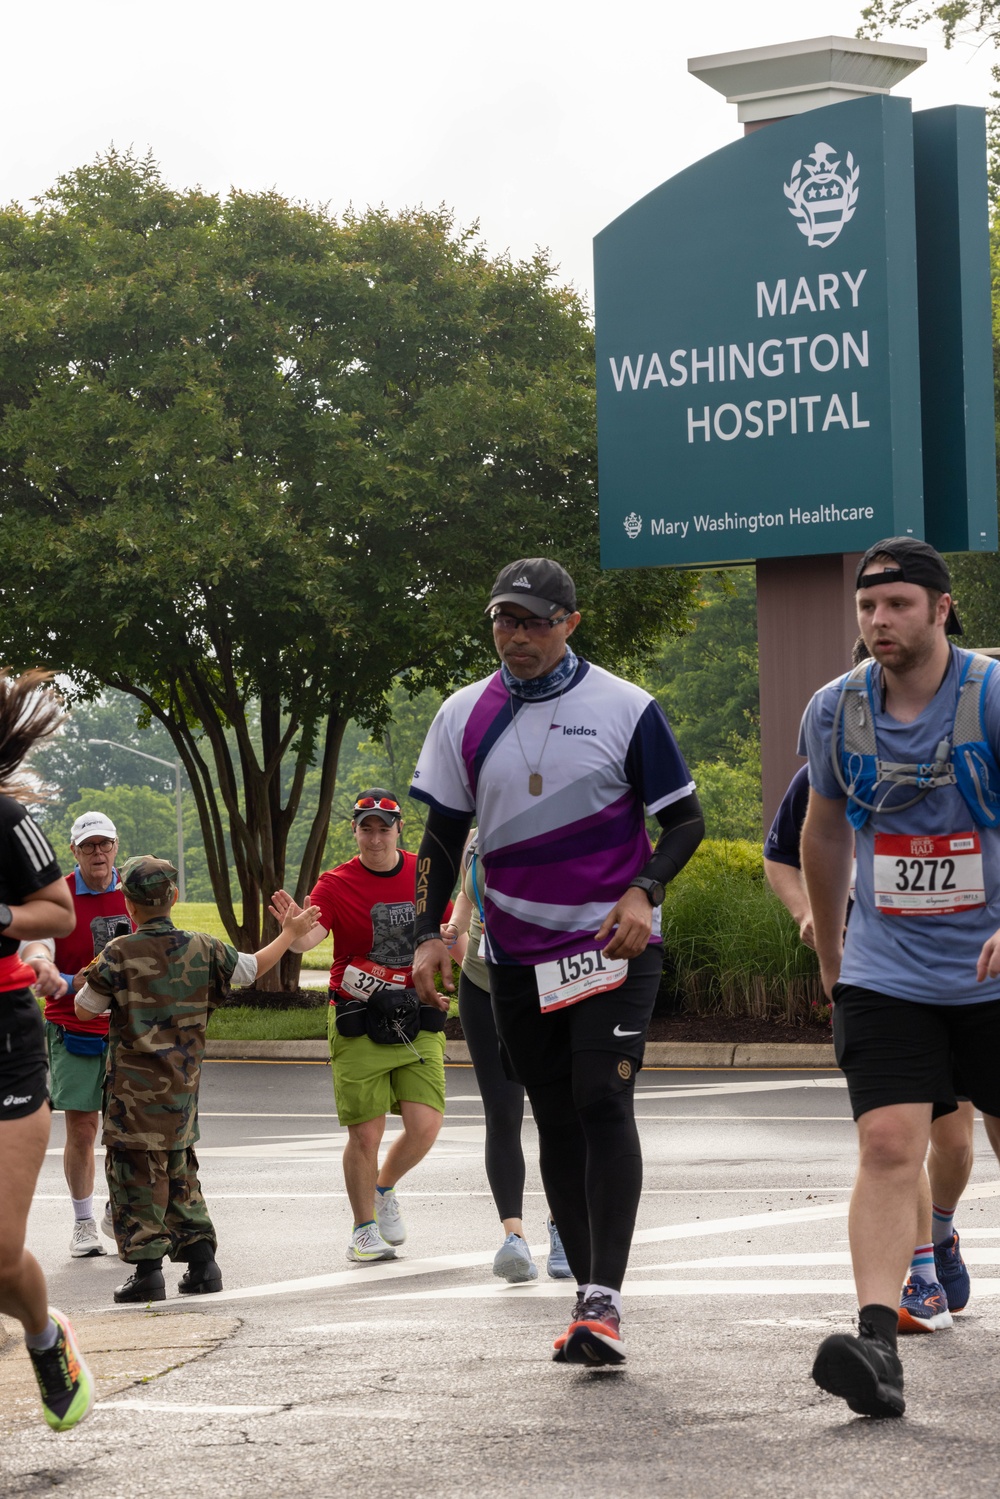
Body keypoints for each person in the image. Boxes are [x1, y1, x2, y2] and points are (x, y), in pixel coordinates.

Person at [410, 558, 704, 1365]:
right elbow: (440, 837)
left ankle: (604, 1296)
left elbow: (684, 822)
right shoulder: (463, 713)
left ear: (570, 622)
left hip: (613, 943)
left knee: (601, 1099)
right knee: (555, 1114)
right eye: (504, 620)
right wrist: (431, 934)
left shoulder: (625, 707)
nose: (517, 635)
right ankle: (585, 1298)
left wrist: (645, 890)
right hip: (515, 953)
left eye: (535, 620)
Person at [800, 537, 1000, 1418]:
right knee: (888, 1146)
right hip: (888, 971)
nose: (879, 622)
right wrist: (836, 959)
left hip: (992, 967)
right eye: (867, 608)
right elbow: (824, 831)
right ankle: (877, 1345)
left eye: (899, 606)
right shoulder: (834, 710)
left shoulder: (991, 695)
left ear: (942, 607)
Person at [764, 763, 975, 1335]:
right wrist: (808, 914)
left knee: (953, 1143)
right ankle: (922, 1280)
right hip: (877, 978)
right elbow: (781, 854)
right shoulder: (828, 762)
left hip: (967, 973)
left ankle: (941, 1230)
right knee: (894, 1136)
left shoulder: (975, 744)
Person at [74, 855, 320, 1303]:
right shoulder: (204, 947)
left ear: (128, 902)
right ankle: (203, 1264)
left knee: (134, 1179)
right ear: (175, 897)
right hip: (183, 1093)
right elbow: (250, 968)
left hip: (132, 1099)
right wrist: (288, 933)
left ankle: (147, 1271)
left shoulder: (119, 952)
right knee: (181, 1171)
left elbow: (85, 1007)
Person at [272, 790, 455, 1265]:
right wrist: (293, 934)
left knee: (425, 1124)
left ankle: (384, 1187)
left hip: (417, 1012)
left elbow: (449, 934)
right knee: (365, 1135)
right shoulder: (335, 883)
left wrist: (454, 942)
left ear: (399, 830)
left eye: (384, 827)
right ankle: (364, 1229)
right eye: (366, 827)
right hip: (358, 1011)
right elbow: (310, 936)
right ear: (354, 830)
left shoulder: (424, 873)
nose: (375, 836)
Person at [0, 668, 93, 1431]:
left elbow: (58, 912)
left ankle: (43, 1335)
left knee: (0, 1254)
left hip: (4, 1039)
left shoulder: (4, 819)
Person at [442, 832, 572, 1283]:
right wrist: (454, 929)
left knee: (556, 1112)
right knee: (502, 1112)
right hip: (482, 986)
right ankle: (513, 1239)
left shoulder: (550, 833)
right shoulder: (475, 841)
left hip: (544, 988)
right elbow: (465, 895)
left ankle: (563, 1229)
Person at [19, 810, 131, 1259]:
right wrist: (52, 969)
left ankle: (117, 1207)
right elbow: (39, 943)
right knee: (83, 1127)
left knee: (127, 1131)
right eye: (89, 846)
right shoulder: (61, 895)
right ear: (74, 851)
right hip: (74, 1025)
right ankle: (84, 1223)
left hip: (130, 1028)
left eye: (104, 844)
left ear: (116, 846)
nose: (98, 853)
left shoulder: (137, 889)